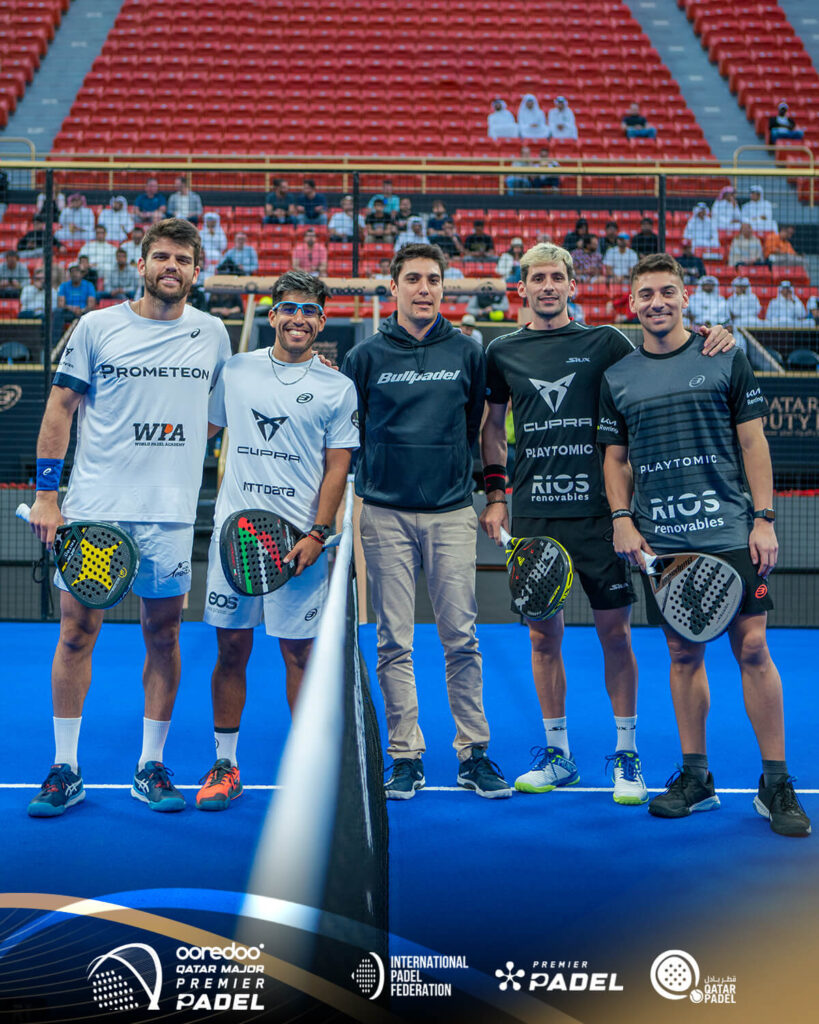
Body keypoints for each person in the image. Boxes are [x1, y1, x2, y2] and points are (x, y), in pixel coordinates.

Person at [480, 243, 733, 804]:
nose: (548, 286)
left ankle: (627, 755)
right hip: (536, 516)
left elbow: (661, 357)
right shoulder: (502, 351)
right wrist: (496, 494)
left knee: (615, 635)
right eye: (537, 279)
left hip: (602, 517)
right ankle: (558, 756)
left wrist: (714, 337)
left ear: (573, 286)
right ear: (522, 288)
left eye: (557, 278)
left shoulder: (608, 342)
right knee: (542, 638)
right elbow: (493, 428)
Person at [598, 251, 810, 838]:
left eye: (667, 291)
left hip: (730, 531)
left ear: (685, 297)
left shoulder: (724, 356)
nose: (657, 302)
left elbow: (754, 444)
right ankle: (696, 778)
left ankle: (775, 783)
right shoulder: (618, 377)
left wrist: (764, 520)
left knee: (754, 648)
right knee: (682, 654)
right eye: (646, 294)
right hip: (663, 539)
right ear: (632, 302)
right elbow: (615, 459)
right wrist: (622, 517)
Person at [25, 218, 232, 818]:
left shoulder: (213, 333)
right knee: (75, 632)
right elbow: (60, 407)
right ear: (141, 265)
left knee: (164, 636)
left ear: (197, 271)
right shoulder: (97, 326)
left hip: (169, 518)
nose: (172, 267)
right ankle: (65, 768)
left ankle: (150, 765)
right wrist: (47, 496)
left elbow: (216, 416)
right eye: (162, 257)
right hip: (95, 512)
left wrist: (175, 444)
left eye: (183, 260)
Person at [341, 242, 513, 800]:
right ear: (393, 287)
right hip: (383, 515)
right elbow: (350, 433)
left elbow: (481, 430)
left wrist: (494, 495)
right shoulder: (364, 357)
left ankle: (473, 753)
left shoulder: (468, 352)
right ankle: (405, 756)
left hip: (451, 513)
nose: (424, 289)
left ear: (443, 287)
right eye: (413, 279)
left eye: (433, 280)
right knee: (393, 640)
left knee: (461, 638)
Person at [195, 271, 358, 810]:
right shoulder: (237, 370)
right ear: (272, 316)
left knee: (301, 656)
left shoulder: (337, 387)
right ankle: (225, 764)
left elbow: (338, 468)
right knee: (231, 650)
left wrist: (318, 532)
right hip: (236, 540)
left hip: (299, 547)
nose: (298, 318)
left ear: (322, 322)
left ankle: (309, 770)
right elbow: (201, 431)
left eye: (309, 310)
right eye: (289, 308)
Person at [200, 212, 227, 276]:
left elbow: (223, 246)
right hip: (204, 255)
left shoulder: (220, 233)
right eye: (209, 220)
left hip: (217, 255)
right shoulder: (201, 232)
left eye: (212, 220)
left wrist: (214, 236)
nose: (210, 222)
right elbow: (200, 245)